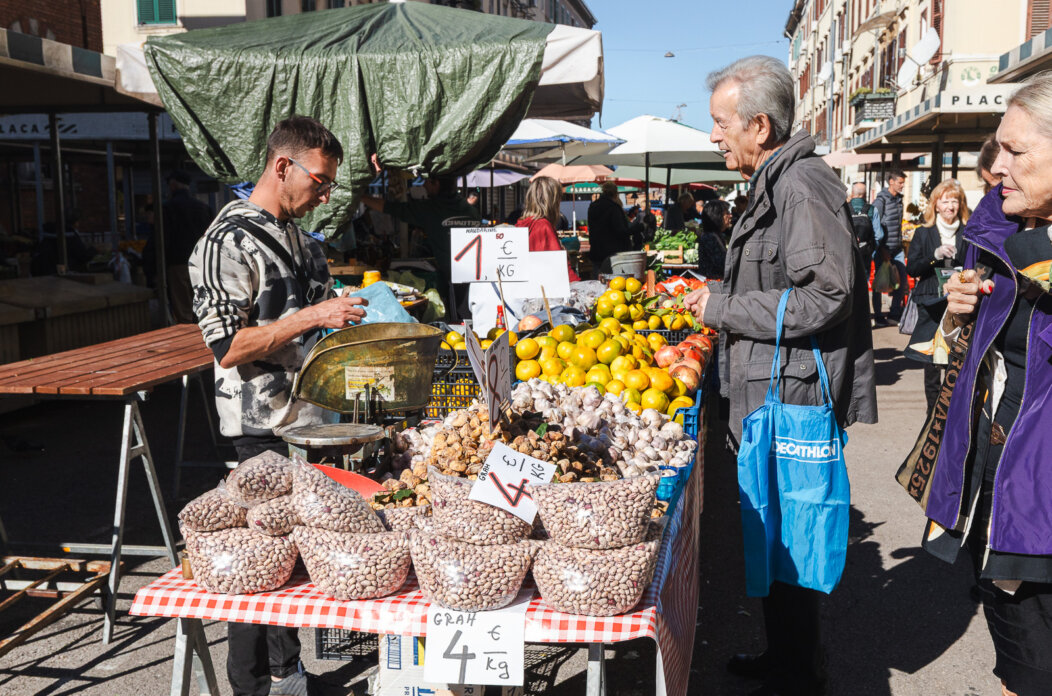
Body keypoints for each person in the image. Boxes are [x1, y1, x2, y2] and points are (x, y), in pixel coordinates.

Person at [683, 55, 876, 696]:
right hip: (771, 385)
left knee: (791, 532)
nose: (715, 136)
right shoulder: (778, 182)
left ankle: (800, 674)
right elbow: (782, 282)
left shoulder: (800, 187)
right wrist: (720, 295)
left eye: (722, 123)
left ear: (759, 126)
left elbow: (826, 294)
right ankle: (786, 657)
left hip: (788, 393)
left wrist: (722, 309)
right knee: (775, 531)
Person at [189, 116, 368, 696]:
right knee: (259, 557)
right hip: (260, 425)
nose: (326, 195)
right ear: (283, 166)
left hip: (311, 422)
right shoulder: (226, 242)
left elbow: (314, 318)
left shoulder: (302, 240)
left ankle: (288, 673)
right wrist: (315, 315)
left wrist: (341, 312)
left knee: (295, 557)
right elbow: (228, 346)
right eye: (321, 180)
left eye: (331, 184)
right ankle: (250, 686)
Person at [922, 75, 1052, 696]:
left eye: (1015, 150)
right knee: (1024, 663)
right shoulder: (998, 222)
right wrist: (958, 315)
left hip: (1043, 491)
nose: (996, 165)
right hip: (1002, 485)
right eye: (999, 146)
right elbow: (965, 353)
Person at [361, 176, 479, 318]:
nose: (423, 184)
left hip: (454, 277)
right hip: (476, 276)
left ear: (436, 183)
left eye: (427, 181)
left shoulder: (431, 209)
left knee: (460, 318)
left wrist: (360, 197)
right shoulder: (470, 211)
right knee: (472, 316)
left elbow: (391, 208)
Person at [903, 179, 969, 412]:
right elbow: (912, 269)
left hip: (958, 302)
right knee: (931, 360)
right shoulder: (923, 232)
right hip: (930, 300)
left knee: (955, 357)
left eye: (955, 201)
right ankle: (933, 412)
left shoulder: (968, 232)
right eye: (945, 201)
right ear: (936, 205)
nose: (950, 206)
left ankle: (951, 409)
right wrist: (935, 256)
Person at [143, 170, 214, 323]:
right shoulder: (203, 207)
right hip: (202, 263)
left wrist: (152, 268)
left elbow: (161, 238)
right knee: (205, 308)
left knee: (183, 312)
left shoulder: (167, 208)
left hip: (178, 264)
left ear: (173, 185)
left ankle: (190, 337)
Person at [514, 176, 580, 281]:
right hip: (544, 287)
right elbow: (558, 268)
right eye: (559, 199)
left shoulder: (522, 224)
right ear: (552, 201)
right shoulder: (542, 226)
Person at [872, 170, 910, 326]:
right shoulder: (880, 201)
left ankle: (894, 313)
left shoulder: (899, 200)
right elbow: (875, 226)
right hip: (883, 249)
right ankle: (878, 315)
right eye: (900, 182)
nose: (902, 185)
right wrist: (882, 249)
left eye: (903, 183)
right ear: (891, 182)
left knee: (901, 280)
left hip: (897, 248)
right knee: (880, 282)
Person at [586, 181, 632, 274]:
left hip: (596, 250)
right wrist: (637, 228)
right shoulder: (614, 208)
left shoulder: (593, 206)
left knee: (598, 278)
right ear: (615, 193)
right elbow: (620, 231)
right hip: (612, 252)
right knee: (613, 280)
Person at [696, 199, 729, 279]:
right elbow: (722, 264)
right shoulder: (709, 237)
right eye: (727, 213)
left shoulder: (717, 235)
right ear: (717, 217)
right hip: (712, 282)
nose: (730, 215)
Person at [847, 181, 878, 261]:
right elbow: (879, 235)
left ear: (852, 193)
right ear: (864, 194)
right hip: (865, 253)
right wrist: (872, 249)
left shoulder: (845, 208)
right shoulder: (872, 209)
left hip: (848, 252)